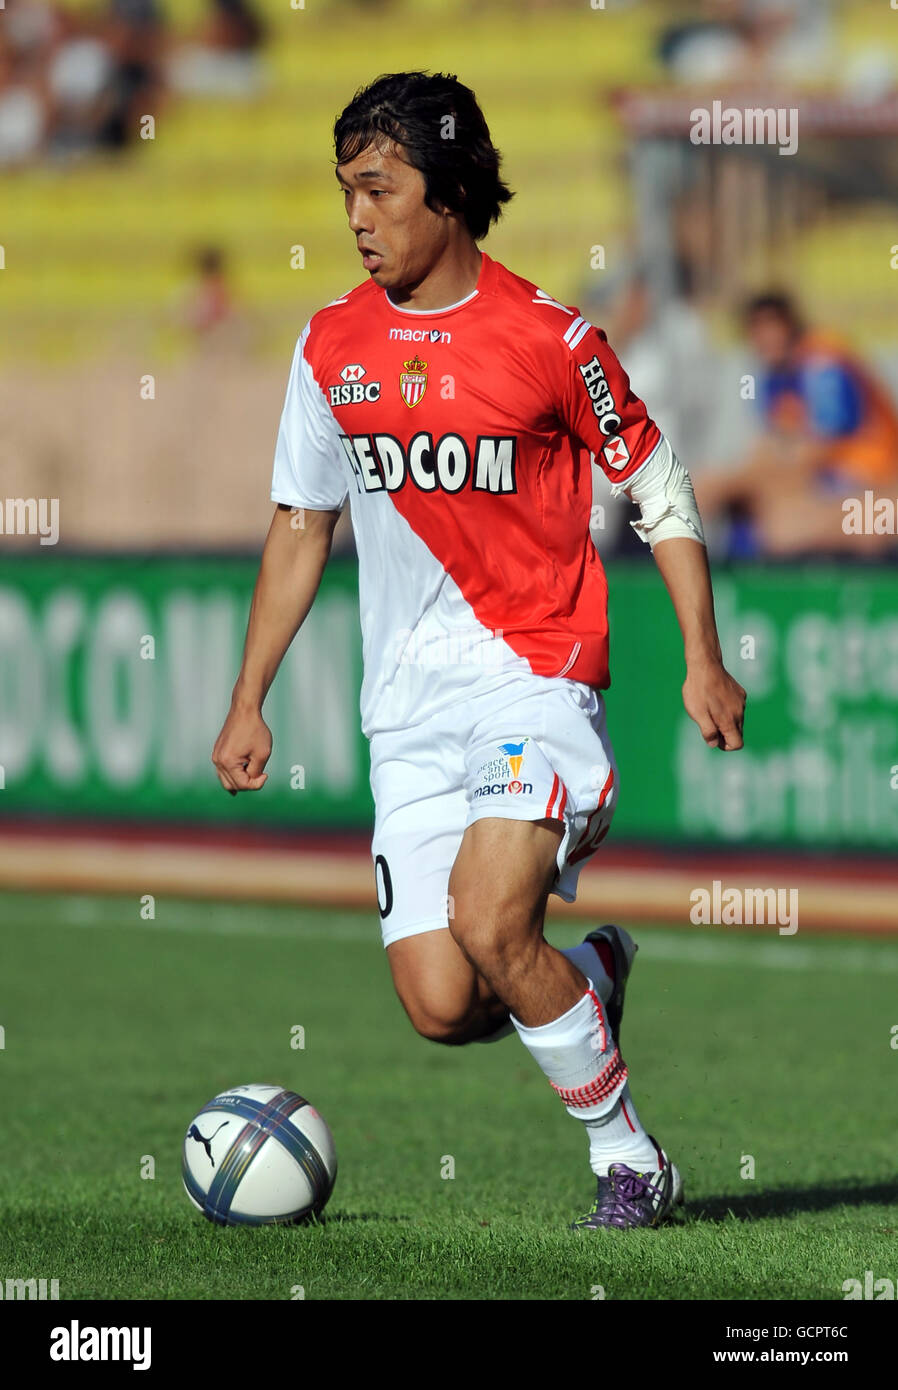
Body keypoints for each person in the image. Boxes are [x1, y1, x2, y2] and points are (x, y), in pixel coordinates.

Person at [212, 72, 746, 1231]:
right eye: (345, 190)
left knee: (494, 918)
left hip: (534, 677)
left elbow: (656, 484)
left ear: (447, 192)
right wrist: (247, 694)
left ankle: (629, 1160)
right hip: (405, 711)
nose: (356, 215)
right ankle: (592, 978)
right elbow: (303, 524)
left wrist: (702, 654)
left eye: (378, 188)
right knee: (445, 1000)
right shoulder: (328, 350)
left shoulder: (552, 340)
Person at [695, 293, 898, 557]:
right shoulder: (773, 376)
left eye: (771, 326)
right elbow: (774, 445)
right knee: (739, 503)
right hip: (830, 480)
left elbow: (818, 449)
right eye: (756, 329)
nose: (765, 338)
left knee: (779, 524)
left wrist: (738, 480)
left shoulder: (823, 362)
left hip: (871, 479)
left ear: (790, 325)